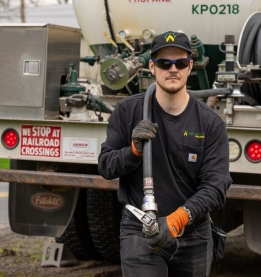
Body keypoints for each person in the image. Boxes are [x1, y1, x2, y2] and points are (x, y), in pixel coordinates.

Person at [98, 31, 232, 277]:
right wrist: (134, 151)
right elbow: (106, 166)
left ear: (190, 66)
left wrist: (178, 219)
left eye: (180, 62)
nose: (173, 69)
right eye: (164, 63)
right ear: (152, 66)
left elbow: (216, 184)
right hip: (140, 231)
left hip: (194, 235)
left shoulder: (210, 123)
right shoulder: (128, 111)